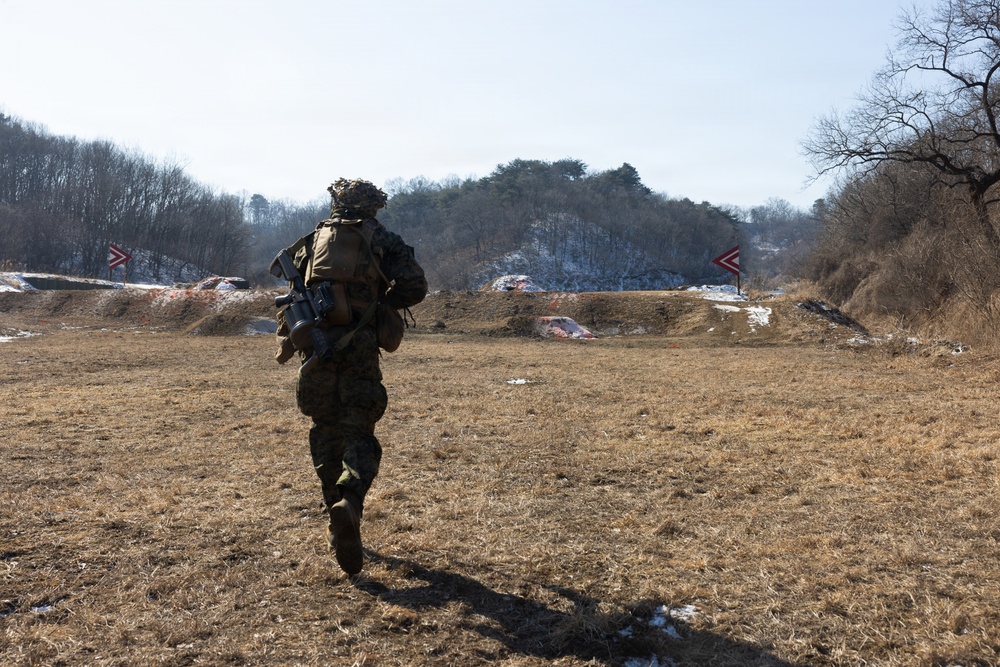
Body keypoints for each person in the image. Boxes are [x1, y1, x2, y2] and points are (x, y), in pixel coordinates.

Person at [274, 178, 427, 575]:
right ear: (373, 207)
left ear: (336, 202)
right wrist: (378, 303)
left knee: (325, 431)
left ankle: (335, 518)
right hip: (358, 350)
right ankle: (351, 501)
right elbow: (414, 286)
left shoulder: (309, 242)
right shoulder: (384, 239)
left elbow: (292, 296)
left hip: (316, 348)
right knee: (359, 434)